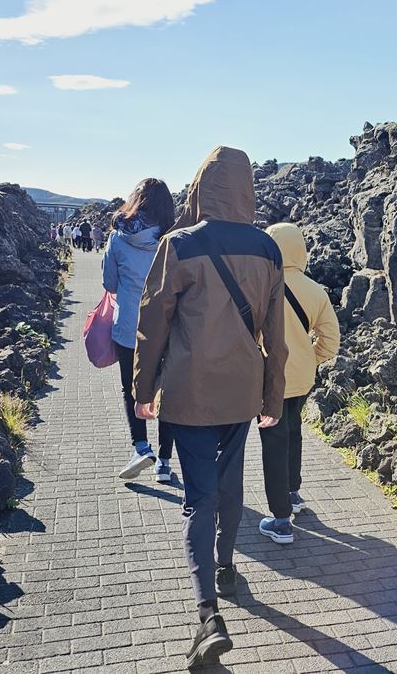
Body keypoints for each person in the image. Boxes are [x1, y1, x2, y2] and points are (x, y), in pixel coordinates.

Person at [132, 146, 287, 668]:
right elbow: (276, 333)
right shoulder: (267, 248)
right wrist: (272, 396)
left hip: (188, 391)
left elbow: (152, 323)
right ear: (248, 188)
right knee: (229, 481)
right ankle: (225, 566)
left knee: (197, 496)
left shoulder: (179, 244)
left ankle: (207, 616)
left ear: (200, 186)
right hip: (241, 392)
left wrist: (142, 389)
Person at [257, 223, 340, 544]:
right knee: (293, 431)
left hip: (269, 379)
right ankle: (292, 493)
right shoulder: (315, 290)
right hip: (303, 377)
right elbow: (330, 342)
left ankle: (281, 521)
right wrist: (311, 358)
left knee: (273, 441)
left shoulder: (261, 286)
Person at [104, 179, 178, 484]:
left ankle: (140, 447)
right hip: (167, 327)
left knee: (130, 388)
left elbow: (109, 284)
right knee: (167, 391)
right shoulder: (173, 239)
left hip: (128, 328)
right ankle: (164, 462)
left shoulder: (118, 239)